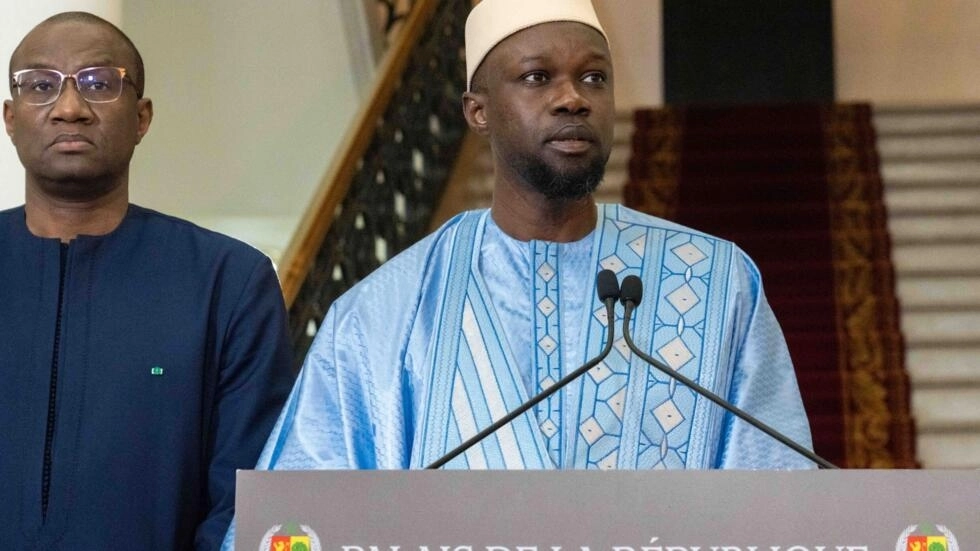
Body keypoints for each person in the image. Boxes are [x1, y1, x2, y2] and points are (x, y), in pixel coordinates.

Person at [251, 0, 814, 474]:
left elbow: (777, 496)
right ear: (478, 112)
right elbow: (306, 511)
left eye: (594, 78)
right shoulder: (383, 313)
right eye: (537, 78)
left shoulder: (716, 281)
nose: (574, 98)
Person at [1, 12, 293, 550]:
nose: (69, 108)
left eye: (98, 83)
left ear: (141, 118)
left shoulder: (228, 282)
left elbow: (249, 502)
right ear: (10, 118)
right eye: (40, 85)